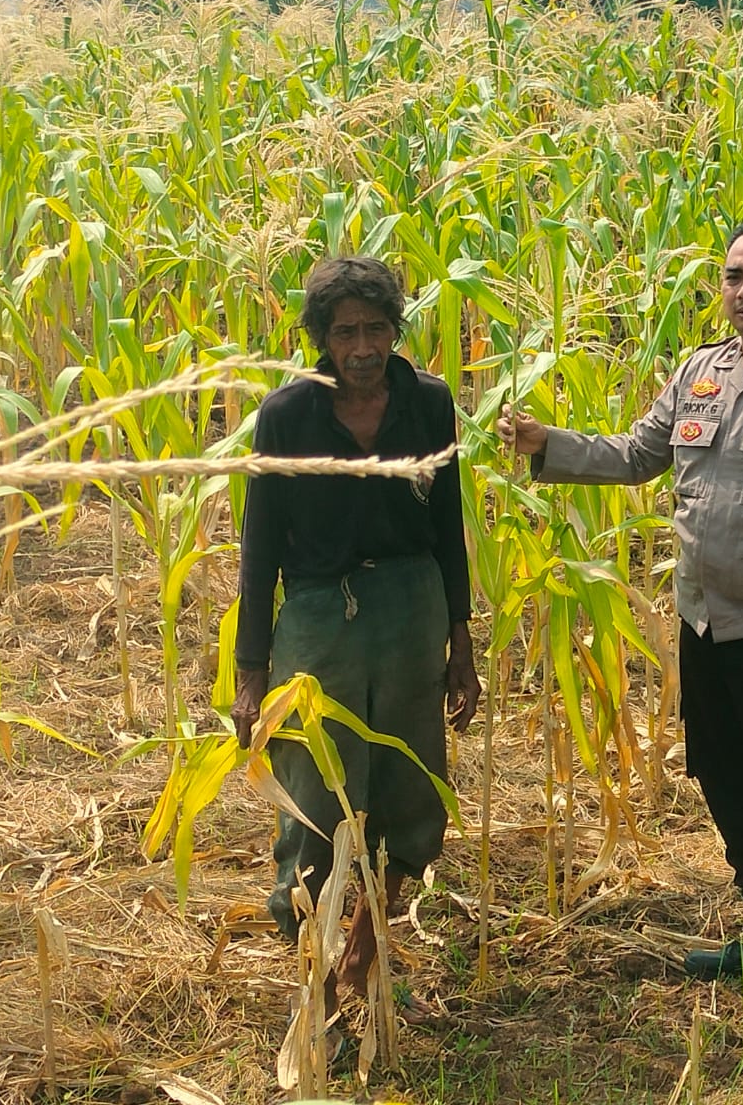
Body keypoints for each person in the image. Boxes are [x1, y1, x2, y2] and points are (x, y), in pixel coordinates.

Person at [497, 220, 743, 1024]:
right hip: (708, 627)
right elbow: (637, 455)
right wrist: (547, 444)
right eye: (733, 276)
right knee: (729, 780)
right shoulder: (699, 373)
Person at [232, 255, 482, 1013]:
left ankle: (363, 957)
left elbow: (447, 521)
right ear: (322, 337)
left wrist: (460, 639)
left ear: (394, 330)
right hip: (317, 613)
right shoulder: (287, 415)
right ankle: (316, 970)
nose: (364, 348)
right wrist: (251, 672)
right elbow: (259, 547)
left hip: (412, 607)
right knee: (314, 795)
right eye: (346, 333)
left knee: (409, 788)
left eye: (376, 329)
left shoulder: (427, 402)